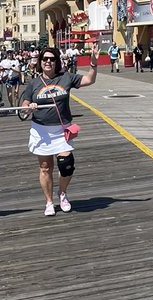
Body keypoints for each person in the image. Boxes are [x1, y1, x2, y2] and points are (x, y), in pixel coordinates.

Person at [19, 42, 99, 217]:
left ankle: (62, 193)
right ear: (40, 62)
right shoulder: (33, 83)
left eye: (52, 59)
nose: (48, 62)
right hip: (41, 131)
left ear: (57, 62)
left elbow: (89, 80)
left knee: (67, 165)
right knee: (45, 167)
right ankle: (49, 202)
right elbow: (23, 106)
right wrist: (29, 107)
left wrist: (93, 63)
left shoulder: (66, 78)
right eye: (45, 59)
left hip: (61, 130)